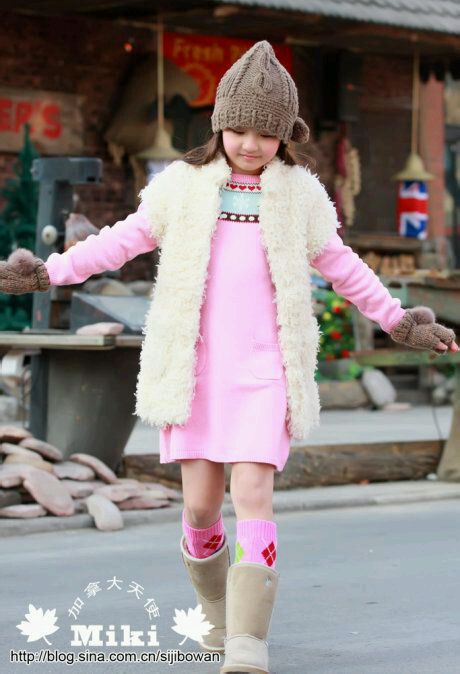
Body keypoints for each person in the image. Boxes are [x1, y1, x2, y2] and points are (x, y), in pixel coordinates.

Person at [0, 40, 458, 674]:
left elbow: (346, 268)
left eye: (267, 133)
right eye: (240, 129)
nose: (251, 144)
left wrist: (399, 320)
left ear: (285, 136)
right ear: (219, 125)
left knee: (254, 495)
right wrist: (48, 272)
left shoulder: (301, 196)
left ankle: (248, 639)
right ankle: (216, 615)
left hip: (264, 369)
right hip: (196, 370)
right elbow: (118, 242)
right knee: (200, 508)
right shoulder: (181, 188)